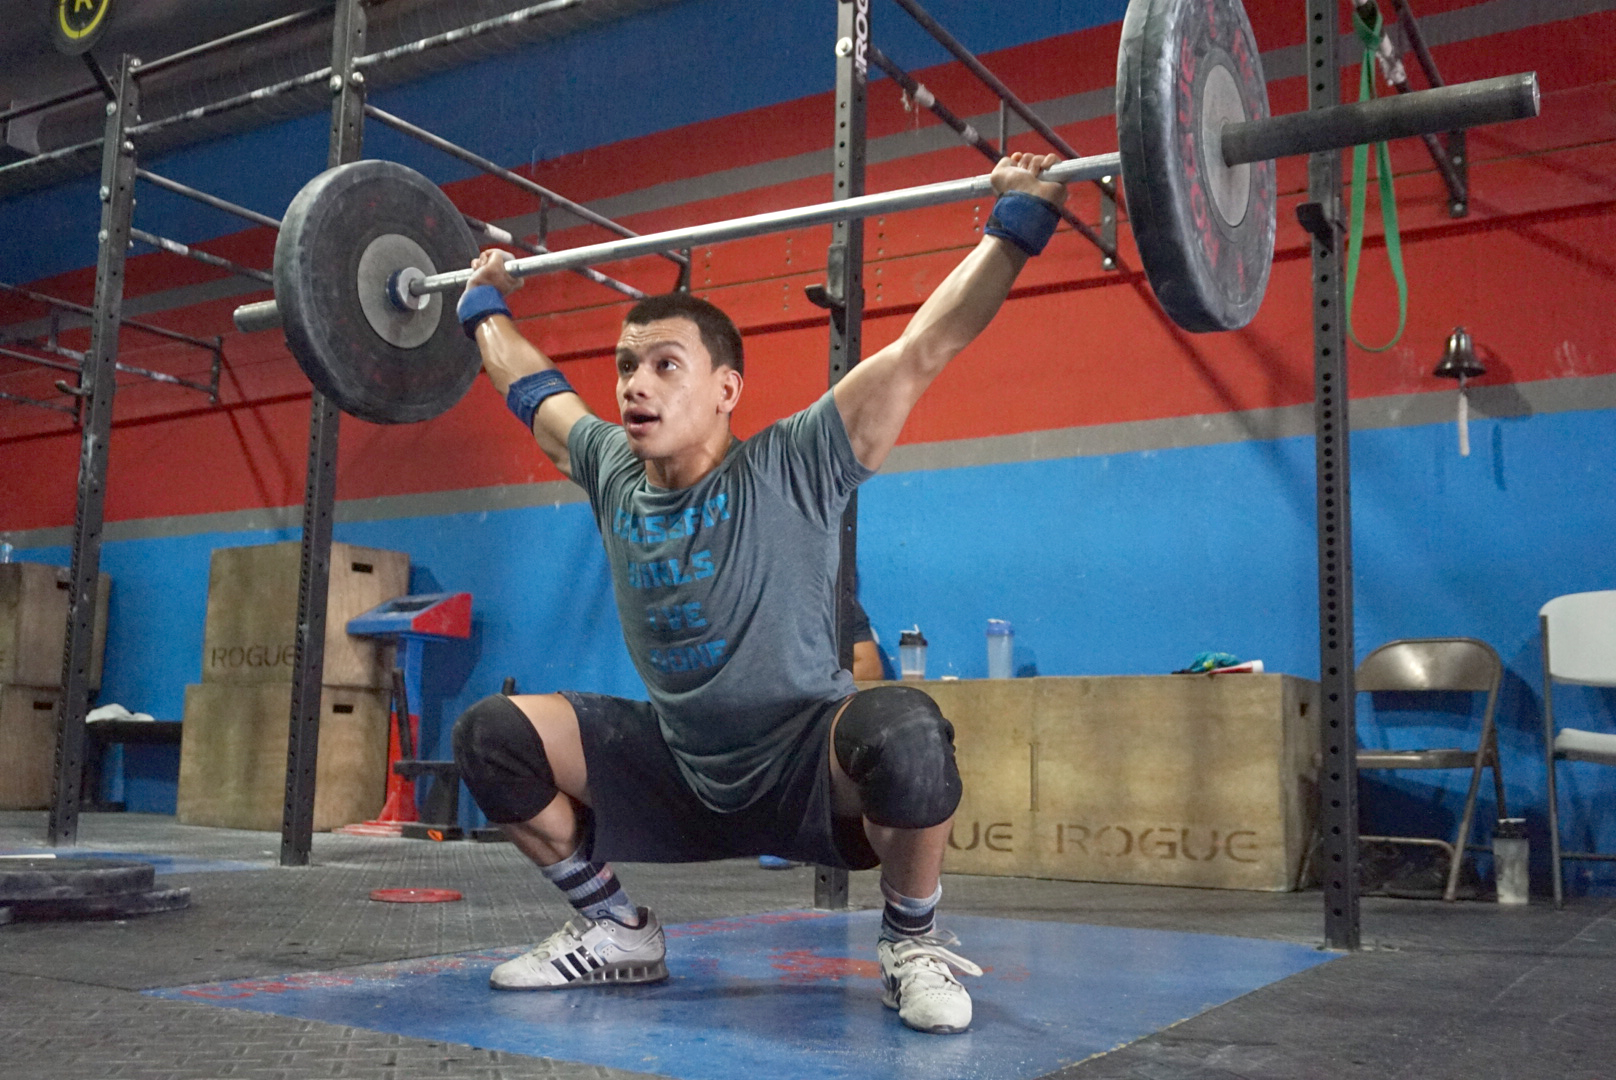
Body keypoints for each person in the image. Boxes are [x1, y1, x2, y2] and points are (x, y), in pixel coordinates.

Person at [450, 152, 1068, 1035]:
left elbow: (925, 344)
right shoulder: (610, 468)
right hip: (680, 761)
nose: (634, 383)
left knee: (910, 734)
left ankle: (909, 942)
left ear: (726, 389)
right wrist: (483, 302)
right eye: (627, 365)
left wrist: (1017, 228)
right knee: (492, 737)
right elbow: (528, 385)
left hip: (806, 766)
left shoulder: (796, 462)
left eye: (666, 365)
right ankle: (616, 927)